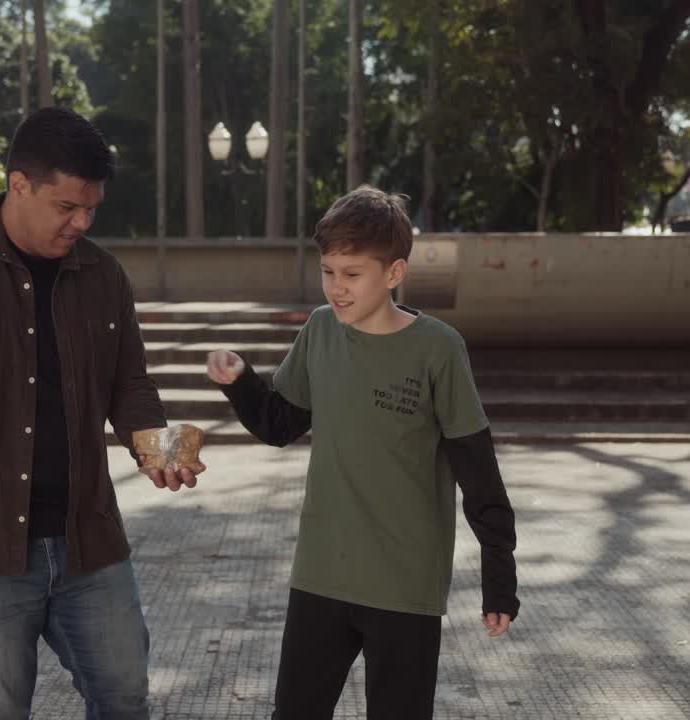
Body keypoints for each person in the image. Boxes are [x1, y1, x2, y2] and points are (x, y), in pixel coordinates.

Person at [0, 107, 203, 720]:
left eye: (92, 209)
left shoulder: (102, 275)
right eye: (66, 207)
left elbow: (129, 382)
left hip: (90, 541)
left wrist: (153, 448)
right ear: (18, 184)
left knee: (126, 697)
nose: (82, 222)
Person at [206, 186, 520, 720]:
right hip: (321, 574)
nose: (337, 289)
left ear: (394, 273)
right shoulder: (321, 332)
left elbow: (477, 470)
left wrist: (499, 577)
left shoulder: (439, 348)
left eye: (352, 274)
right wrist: (239, 382)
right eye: (329, 272)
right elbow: (280, 424)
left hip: (404, 583)